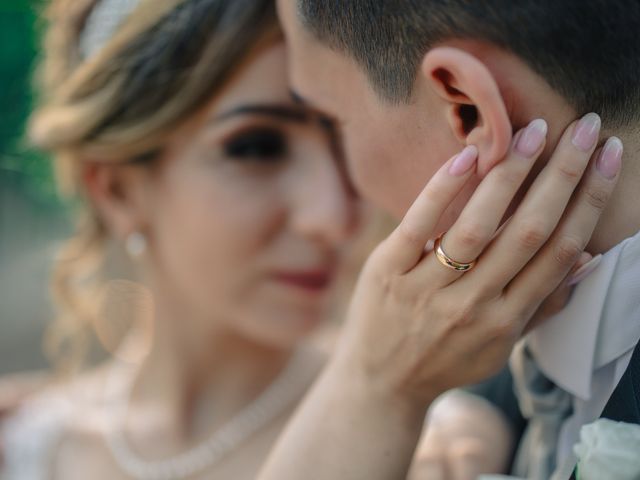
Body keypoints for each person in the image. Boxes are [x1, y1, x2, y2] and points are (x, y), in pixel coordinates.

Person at [258, 1, 638, 479]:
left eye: (335, 121)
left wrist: (375, 382)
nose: (341, 201)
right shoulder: (493, 383)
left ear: (468, 110)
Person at [1, 0, 366, 478]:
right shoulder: (22, 446)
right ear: (117, 190)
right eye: (256, 147)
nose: (333, 214)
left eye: (347, 140)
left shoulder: (421, 432)